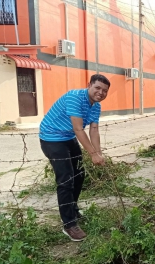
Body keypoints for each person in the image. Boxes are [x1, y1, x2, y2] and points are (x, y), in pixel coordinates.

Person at [39, 74, 110, 241]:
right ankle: (69, 224)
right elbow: (79, 130)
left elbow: (94, 130)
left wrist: (98, 153)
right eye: (97, 88)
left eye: (104, 91)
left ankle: (72, 208)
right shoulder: (74, 98)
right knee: (66, 180)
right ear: (89, 85)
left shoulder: (96, 105)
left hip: (67, 136)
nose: (100, 92)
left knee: (79, 174)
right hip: (52, 137)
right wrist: (92, 154)